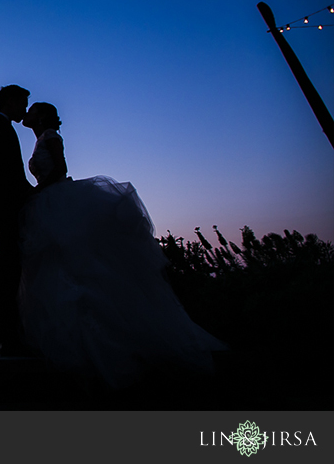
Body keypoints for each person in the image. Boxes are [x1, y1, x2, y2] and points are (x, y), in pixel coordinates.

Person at [17, 102, 226, 388]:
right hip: (49, 201)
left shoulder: (51, 136)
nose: (26, 114)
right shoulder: (41, 138)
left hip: (56, 200)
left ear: (40, 116)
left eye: (31, 111)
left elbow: (61, 168)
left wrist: (38, 191)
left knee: (75, 267)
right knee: (61, 269)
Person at [0, 85, 34, 355]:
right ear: (10, 102)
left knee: (10, 266)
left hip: (7, 207)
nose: (25, 109)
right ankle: (9, 335)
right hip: (7, 207)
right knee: (8, 269)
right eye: (23, 103)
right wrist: (31, 193)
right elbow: (7, 172)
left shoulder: (0, 126)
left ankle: (11, 334)